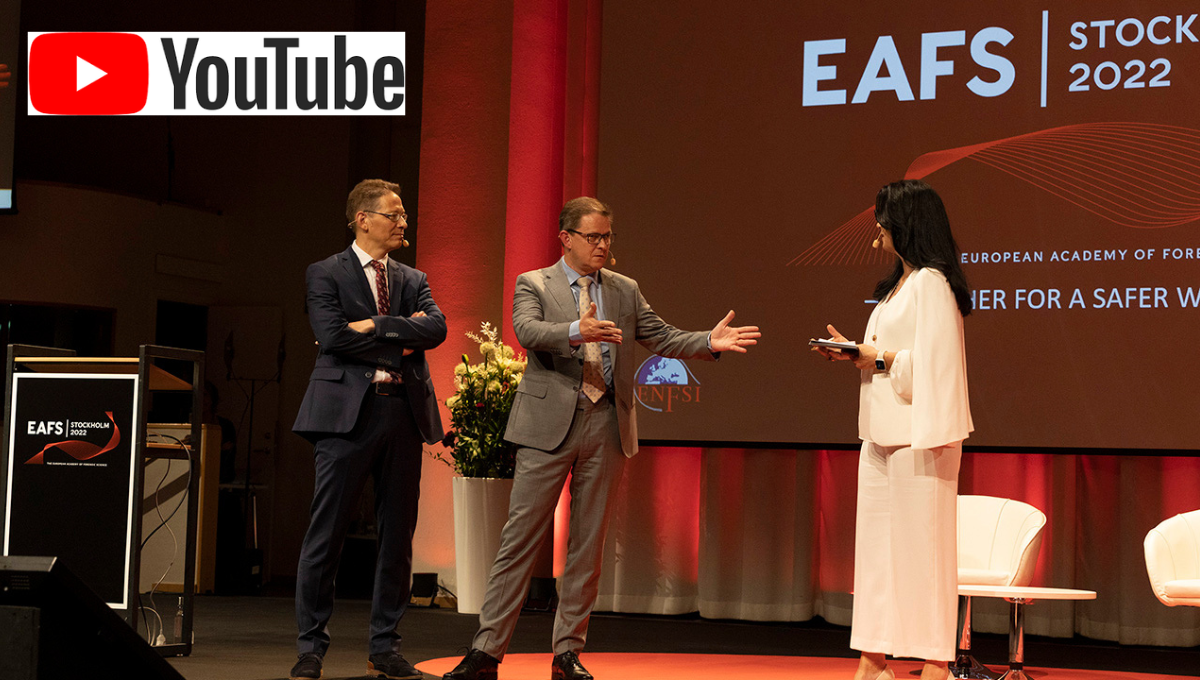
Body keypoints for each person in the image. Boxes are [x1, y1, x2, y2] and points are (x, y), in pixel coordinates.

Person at [443, 197, 761, 680]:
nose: (603, 245)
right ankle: (487, 652)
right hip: (548, 427)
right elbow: (527, 331)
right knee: (519, 542)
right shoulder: (534, 282)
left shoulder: (623, 288)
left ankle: (567, 654)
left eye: (608, 237)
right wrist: (577, 328)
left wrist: (707, 343)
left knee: (586, 547)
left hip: (607, 423)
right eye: (593, 237)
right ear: (566, 238)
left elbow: (659, 335)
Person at [814, 179, 973, 680]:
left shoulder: (931, 281)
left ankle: (934, 662)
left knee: (922, 555)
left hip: (920, 436)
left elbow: (936, 365)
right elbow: (889, 358)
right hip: (880, 434)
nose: (876, 225)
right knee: (877, 555)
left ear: (905, 223)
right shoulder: (895, 287)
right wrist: (858, 354)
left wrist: (872, 356)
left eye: (883, 216)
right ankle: (873, 657)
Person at [289, 179, 447, 680]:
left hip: (402, 413)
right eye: (394, 214)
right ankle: (311, 648)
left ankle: (385, 647)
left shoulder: (412, 276)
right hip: (343, 415)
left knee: (397, 536)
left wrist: (375, 326)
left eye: (403, 215)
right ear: (363, 218)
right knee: (326, 534)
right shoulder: (324, 273)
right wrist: (402, 333)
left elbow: (437, 328)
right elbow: (332, 336)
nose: (404, 222)